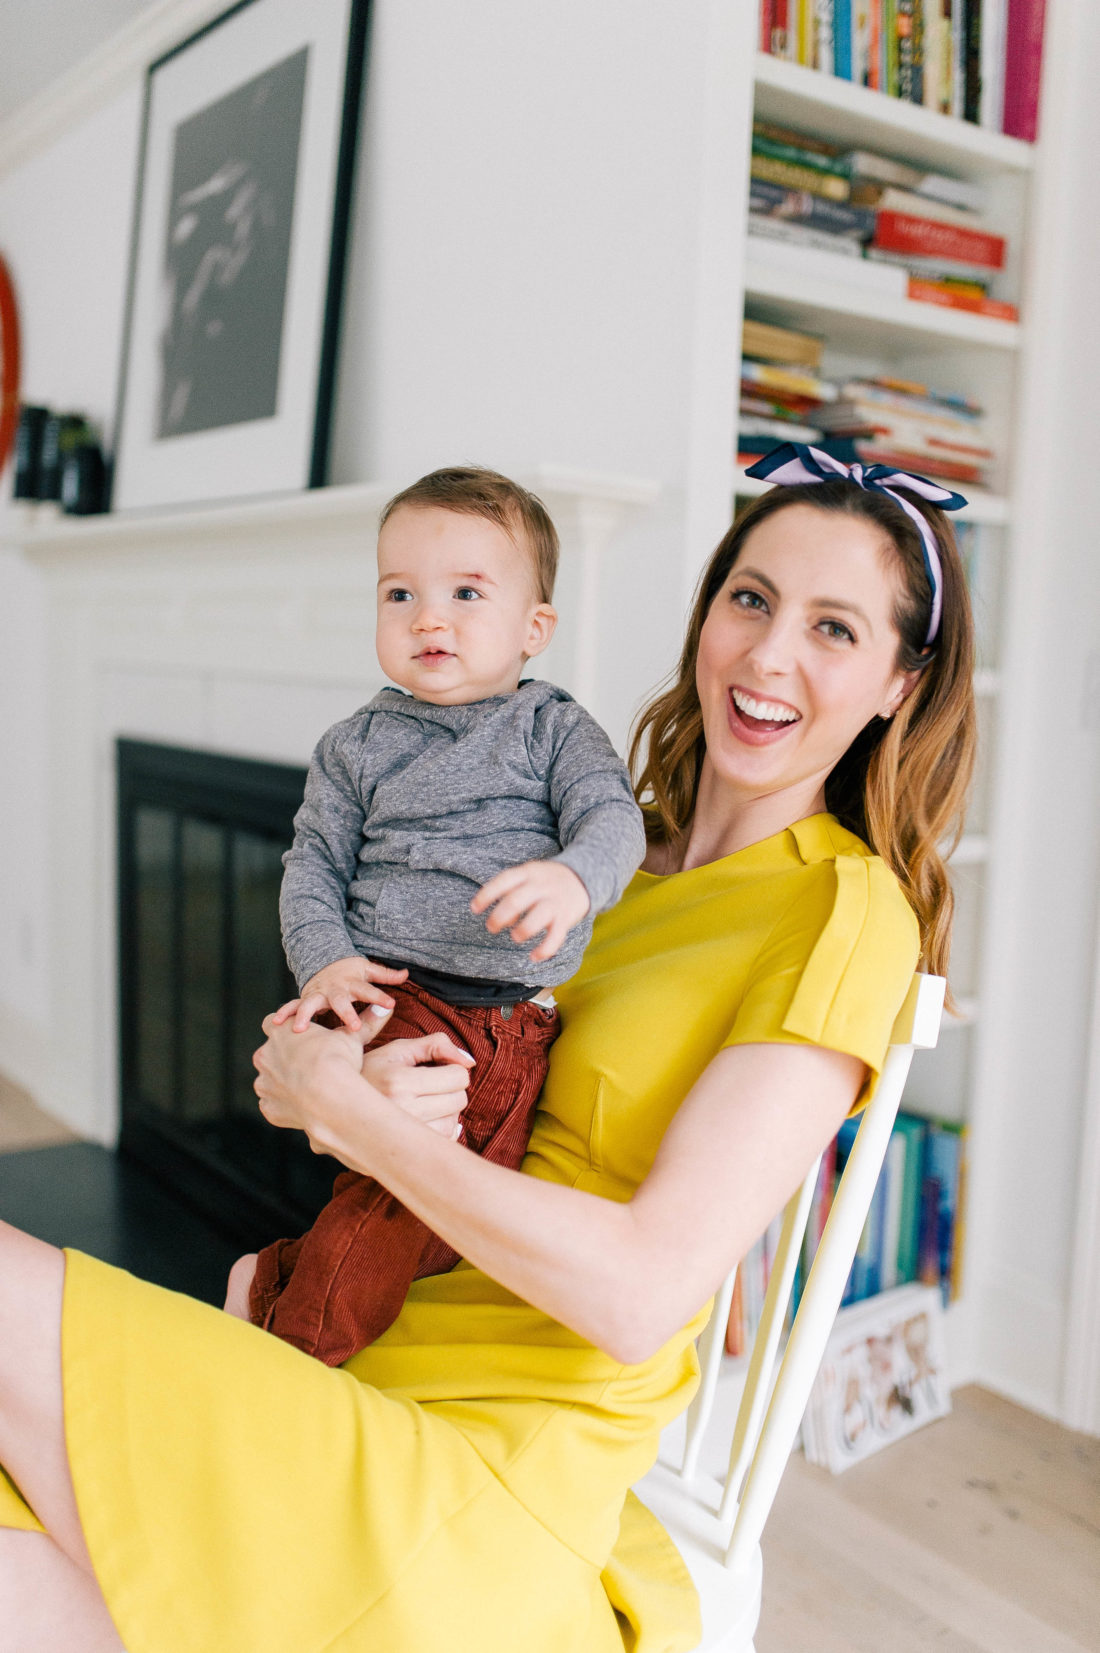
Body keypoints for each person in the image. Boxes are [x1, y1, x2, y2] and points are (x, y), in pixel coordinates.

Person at [0, 445, 976, 1653]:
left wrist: (357, 1125)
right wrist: (324, 1082)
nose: (769, 655)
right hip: (356, 1359)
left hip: (487, 1469)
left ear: (896, 683)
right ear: (707, 611)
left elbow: (638, 1295)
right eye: (750, 598)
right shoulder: (584, 859)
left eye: (834, 630)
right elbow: (422, 1072)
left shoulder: (840, 912)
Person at [230, 467, 645, 1365]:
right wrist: (326, 963)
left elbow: (616, 821)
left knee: (461, 1215)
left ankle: (278, 1282)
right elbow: (313, 867)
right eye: (401, 593)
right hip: (402, 1000)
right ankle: (292, 1358)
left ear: (535, 627)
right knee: (406, 1197)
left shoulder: (555, 731)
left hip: (513, 1020)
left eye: (465, 592)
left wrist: (574, 879)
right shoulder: (357, 745)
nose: (428, 616)